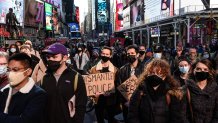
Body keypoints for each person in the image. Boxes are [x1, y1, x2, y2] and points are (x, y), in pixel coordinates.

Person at [128, 58, 186, 123]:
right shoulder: (140, 90)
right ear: (147, 73)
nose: (155, 75)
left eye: (159, 73)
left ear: (164, 76)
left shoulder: (171, 93)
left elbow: (176, 117)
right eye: (152, 73)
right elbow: (132, 115)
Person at [41, 43, 87, 123]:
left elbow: (81, 106)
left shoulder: (76, 77)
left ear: (65, 58)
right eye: (48, 57)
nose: (50, 59)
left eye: (54, 57)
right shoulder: (45, 79)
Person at [0, 53, 47, 123]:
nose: (10, 73)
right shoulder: (4, 90)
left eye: (15, 70)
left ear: (28, 71)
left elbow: (25, 120)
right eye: (9, 69)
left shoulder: (38, 94)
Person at [89, 46, 118, 123]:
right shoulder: (93, 69)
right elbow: (90, 85)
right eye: (103, 53)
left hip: (111, 100)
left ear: (110, 55)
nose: (105, 55)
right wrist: (93, 94)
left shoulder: (115, 70)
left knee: (111, 119)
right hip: (98, 99)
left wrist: (112, 91)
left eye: (107, 54)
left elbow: (117, 84)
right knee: (100, 119)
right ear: (100, 54)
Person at [116, 45, 144, 122]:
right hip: (127, 105)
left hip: (141, 104)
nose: (130, 55)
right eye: (128, 54)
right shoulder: (122, 70)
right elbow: (119, 86)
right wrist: (125, 101)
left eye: (132, 53)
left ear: (137, 54)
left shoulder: (145, 69)